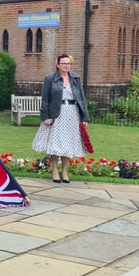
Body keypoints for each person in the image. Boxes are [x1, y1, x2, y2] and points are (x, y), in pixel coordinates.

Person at [32, 53, 90, 183]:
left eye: (68, 63)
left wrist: (84, 117)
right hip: (56, 113)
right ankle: (54, 170)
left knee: (68, 143)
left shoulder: (76, 78)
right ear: (57, 65)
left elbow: (82, 99)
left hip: (72, 114)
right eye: (64, 63)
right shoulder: (50, 79)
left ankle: (64, 171)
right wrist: (45, 116)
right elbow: (45, 99)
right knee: (56, 143)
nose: (66, 66)